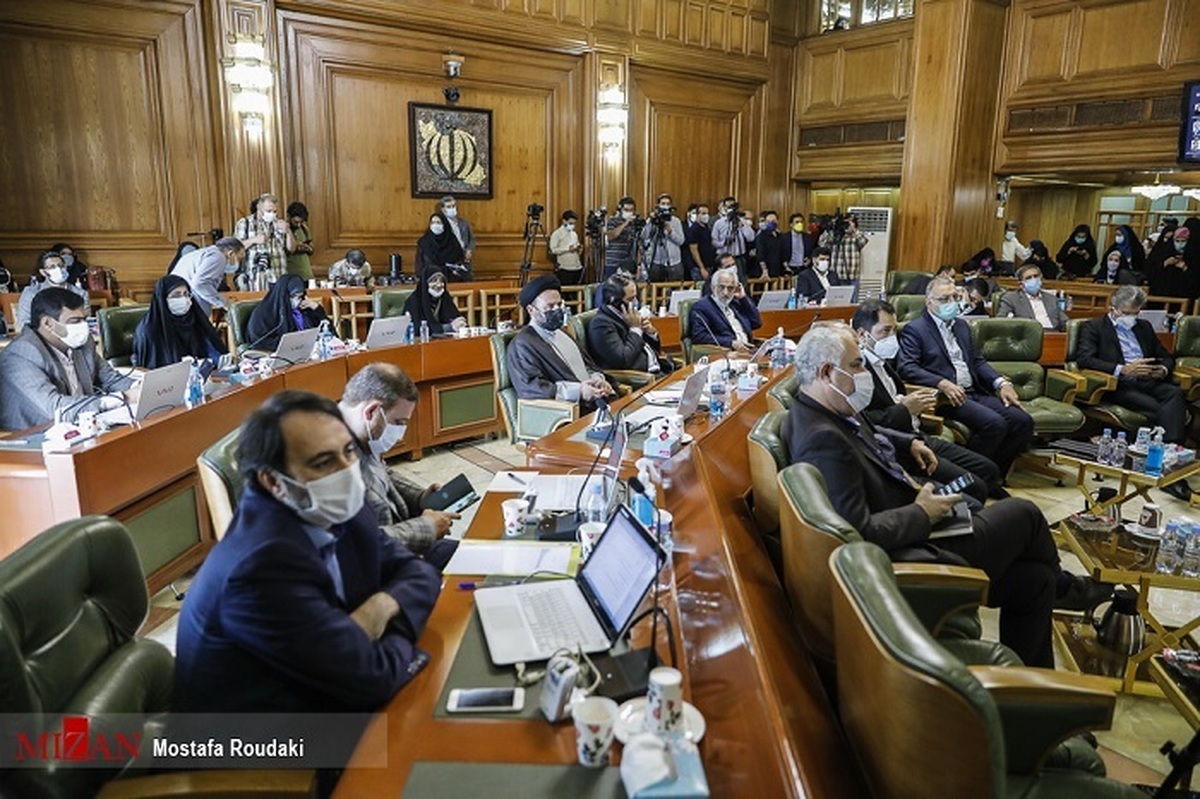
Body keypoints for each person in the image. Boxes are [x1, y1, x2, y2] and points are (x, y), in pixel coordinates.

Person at [782, 324, 1109, 668]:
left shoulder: (825, 409)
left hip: (917, 522)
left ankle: (1037, 684)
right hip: (910, 551)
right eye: (856, 364)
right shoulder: (821, 439)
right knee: (1023, 513)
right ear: (825, 372)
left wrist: (908, 442)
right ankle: (1069, 589)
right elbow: (857, 532)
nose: (864, 373)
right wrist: (923, 513)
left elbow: (869, 436)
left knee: (1033, 581)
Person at [173, 390, 441, 715]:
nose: (347, 472)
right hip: (260, 744)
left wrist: (380, 607)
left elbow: (419, 572)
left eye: (348, 452)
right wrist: (377, 635)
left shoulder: (342, 508)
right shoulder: (257, 568)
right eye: (323, 462)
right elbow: (372, 678)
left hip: (329, 691)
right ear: (273, 482)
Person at [852, 299, 1001, 503]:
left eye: (894, 330)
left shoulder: (883, 361)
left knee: (988, 469)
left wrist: (908, 403)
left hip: (919, 433)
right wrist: (904, 408)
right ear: (861, 334)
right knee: (976, 487)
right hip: (901, 445)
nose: (891, 338)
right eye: (885, 331)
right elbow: (866, 423)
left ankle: (970, 494)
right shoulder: (856, 372)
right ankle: (955, 499)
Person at [897, 276, 1034, 478]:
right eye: (944, 299)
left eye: (954, 297)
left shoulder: (962, 326)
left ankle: (994, 476)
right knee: (995, 424)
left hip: (973, 391)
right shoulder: (915, 329)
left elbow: (977, 361)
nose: (951, 303)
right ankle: (967, 476)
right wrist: (942, 383)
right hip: (947, 397)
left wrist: (1002, 382)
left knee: (1023, 421)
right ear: (929, 302)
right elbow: (907, 367)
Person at [338, 364, 460, 569]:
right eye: (399, 422)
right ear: (372, 411)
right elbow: (359, 545)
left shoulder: (362, 433)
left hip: (401, 546)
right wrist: (425, 528)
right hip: (379, 570)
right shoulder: (330, 457)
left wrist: (421, 498)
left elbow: (382, 473)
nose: (401, 432)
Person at [1077, 286, 1191, 482]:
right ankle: (1171, 459)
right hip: (1119, 384)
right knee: (1161, 410)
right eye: (1127, 313)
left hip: (1148, 379)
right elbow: (1085, 359)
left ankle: (1169, 451)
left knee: (1176, 394)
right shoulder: (1094, 327)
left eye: (1135, 313)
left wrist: (1161, 369)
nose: (1131, 318)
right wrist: (1123, 369)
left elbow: (1166, 356)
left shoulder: (1143, 326)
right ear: (1113, 308)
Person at [0, 287, 138, 429]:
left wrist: (139, 388)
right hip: (33, 438)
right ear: (48, 324)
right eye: (75, 321)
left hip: (84, 427)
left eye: (84, 319)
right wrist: (122, 398)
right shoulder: (21, 354)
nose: (83, 327)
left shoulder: (82, 342)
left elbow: (110, 379)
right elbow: (57, 409)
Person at [506, 274, 614, 413]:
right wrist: (579, 391)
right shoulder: (522, 345)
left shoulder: (563, 333)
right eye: (550, 306)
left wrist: (598, 379)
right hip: (568, 412)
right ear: (531, 310)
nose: (557, 310)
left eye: (559, 304)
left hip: (595, 402)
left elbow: (586, 366)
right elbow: (533, 389)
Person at [132, 275, 227, 369]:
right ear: (163, 298)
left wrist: (220, 361)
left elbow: (211, 351)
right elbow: (151, 367)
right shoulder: (149, 329)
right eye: (176, 295)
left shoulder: (193, 319)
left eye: (186, 294)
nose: (183, 299)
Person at [587, 273, 672, 374]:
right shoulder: (601, 324)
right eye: (630, 299)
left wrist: (650, 332)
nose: (636, 302)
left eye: (636, 297)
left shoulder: (627, 315)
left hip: (659, 368)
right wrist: (635, 329)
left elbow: (654, 349)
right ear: (614, 301)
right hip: (640, 378)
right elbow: (623, 360)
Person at [245, 274, 329, 352]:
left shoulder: (304, 309)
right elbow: (259, 343)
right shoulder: (263, 314)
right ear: (283, 295)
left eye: (300, 296)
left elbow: (328, 332)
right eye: (293, 296)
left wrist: (317, 309)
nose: (298, 300)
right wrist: (292, 345)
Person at [688, 265, 762, 352]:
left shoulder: (736, 304)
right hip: (726, 353)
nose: (725, 293)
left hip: (749, 351)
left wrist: (743, 298)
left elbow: (756, 322)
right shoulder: (702, 307)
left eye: (730, 288)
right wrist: (731, 343)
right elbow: (699, 336)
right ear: (713, 287)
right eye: (721, 287)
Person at [170, 236, 244, 317]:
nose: (240, 260)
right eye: (240, 256)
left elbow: (229, 269)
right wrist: (225, 303)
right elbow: (199, 284)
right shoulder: (218, 257)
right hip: (188, 305)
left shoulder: (206, 253)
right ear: (231, 253)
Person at [16, 251, 89, 330]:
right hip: (40, 338)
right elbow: (24, 323)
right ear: (43, 272)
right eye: (52, 267)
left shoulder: (80, 293)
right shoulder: (31, 293)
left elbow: (85, 322)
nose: (58, 269)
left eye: (61, 266)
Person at [234, 192, 295, 284]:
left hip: (279, 276)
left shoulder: (280, 223)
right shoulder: (245, 223)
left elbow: (291, 249)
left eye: (275, 211)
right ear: (259, 208)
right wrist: (253, 240)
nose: (272, 214)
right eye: (268, 211)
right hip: (255, 278)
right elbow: (235, 248)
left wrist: (288, 232)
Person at [996, 263, 1068, 331]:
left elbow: (1064, 321)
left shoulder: (1051, 299)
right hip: (1028, 336)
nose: (1033, 280)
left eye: (1036, 276)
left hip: (1053, 335)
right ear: (1021, 284)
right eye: (1029, 278)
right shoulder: (1011, 298)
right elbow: (1001, 321)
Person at [402, 267, 466, 335]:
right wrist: (447, 327)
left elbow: (454, 318)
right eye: (434, 281)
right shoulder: (413, 301)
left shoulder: (444, 297)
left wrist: (460, 323)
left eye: (441, 281)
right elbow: (416, 328)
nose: (439, 285)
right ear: (425, 283)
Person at [1146, 223, 1198, 300]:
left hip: (1185, 296)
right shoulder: (1163, 252)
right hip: (1161, 296)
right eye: (1177, 241)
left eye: (1183, 241)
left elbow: (1196, 280)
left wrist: (1185, 268)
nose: (1180, 244)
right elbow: (1150, 272)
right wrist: (1165, 263)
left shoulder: (1194, 255)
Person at [641, 194, 686, 282]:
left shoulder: (676, 221)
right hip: (657, 262)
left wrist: (670, 232)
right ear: (658, 205)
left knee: (675, 289)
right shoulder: (652, 220)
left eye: (668, 203)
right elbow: (644, 236)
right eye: (663, 203)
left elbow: (681, 241)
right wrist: (651, 221)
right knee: (655, 290)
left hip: (674, 262)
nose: (665, 206)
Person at [710, 197, 755, 280]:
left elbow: (751, 238)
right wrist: (723, 243)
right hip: (723, 257)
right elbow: (714, 242)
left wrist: (742, 225)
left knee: (741, 280)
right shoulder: (719, 223)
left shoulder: (743, 222)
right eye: (728, 207)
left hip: (739, 258)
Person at [415, 212, 467, 280]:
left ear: (444, 224)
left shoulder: (452, 241)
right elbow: (419, 266)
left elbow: (459, 262)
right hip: (429, 280)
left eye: (438, 222)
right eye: (433, 222)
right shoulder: (424, 242)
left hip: (450, 280)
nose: (435, 225)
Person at [818, 213, 868, 282]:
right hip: (835, 276)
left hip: (852, 276)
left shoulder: (855, 236)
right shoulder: (834, 234)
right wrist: (831, 228)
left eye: (848, 223)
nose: (846, 226)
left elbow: (863, 242)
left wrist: (854, 229)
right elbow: (822, 243)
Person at [604, 197, 641, 278]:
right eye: (626, 210)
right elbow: (611, 236)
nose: (629, 212)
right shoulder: (613, 220)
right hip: (613, 263)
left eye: (631, 210)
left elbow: (638, 245)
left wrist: (638, 265)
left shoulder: (635, 224)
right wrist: (626, 223)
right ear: (621, 209)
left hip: (627, 264)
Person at [440, 195, 476, 272]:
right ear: (443, 210)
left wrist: (469, 250)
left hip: (464, 260)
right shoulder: (441, 225)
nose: (452, 209)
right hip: (449, 262)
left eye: (453, 206)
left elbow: (471, 239)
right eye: (448, 207)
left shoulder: (463, 223)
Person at [549, 210, 583, 285]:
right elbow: (553, 250)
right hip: (565, 268)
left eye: (574, 223)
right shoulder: (557, 234)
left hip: (576, 267)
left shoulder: (574, 234)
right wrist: (568, 249)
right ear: (564, 221)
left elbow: (576, 246)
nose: (572, 225)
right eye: (570, 223)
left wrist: (579, 249)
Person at [685, 203, 717, 281]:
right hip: (698, 267)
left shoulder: (706, 228)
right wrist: (701, 268)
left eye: (707, 213)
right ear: (697, 215)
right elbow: (694, 250)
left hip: (708, 265)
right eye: (703, 213)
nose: (706, 216)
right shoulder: (694, 230)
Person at [285, 202, 315, 280]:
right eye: (296, 222)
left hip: (307, 274)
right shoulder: (283, 230)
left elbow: (311, 247)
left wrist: (306, 247)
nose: (298, 225)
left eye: (301, 222)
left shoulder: (304, 229)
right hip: (291, 275)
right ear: (288, 217)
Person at [754, 210, 787, 278]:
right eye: (769, 221)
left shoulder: (780, 236)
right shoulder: (761, 236)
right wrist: (764, 270)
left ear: (777, 221)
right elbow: (760, 255)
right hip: (765, 271)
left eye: (774, 221)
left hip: (778, 270)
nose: (772, 223)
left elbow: (783, 254)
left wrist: (786, 268)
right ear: (766, 222)